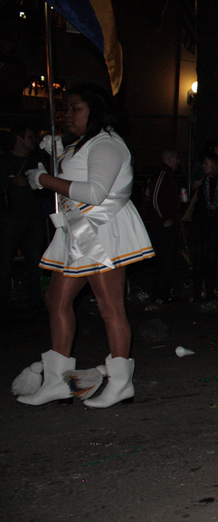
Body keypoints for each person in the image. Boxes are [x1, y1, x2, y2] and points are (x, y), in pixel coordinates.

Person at [13, 83, 153, 408]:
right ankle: (56, 382)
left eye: (75, 107)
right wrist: (58, 152)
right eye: (67, 108)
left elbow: (94, 193)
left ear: (96, 110)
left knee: (110, 306)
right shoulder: (85, 144)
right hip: (77, 234)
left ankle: (120, 384)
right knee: (56, 299)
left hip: (103, 233)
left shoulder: (107, 143)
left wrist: (44, 179)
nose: (68, 113)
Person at [0, 124, 46, 310]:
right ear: (18, 138)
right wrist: (11, 182)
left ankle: (36, 302)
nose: (33, 140)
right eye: (29, 137)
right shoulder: (4, 160)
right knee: (4, 262)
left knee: (36, 262)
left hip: (34, 218)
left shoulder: (37, 160)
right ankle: (3, 303)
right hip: (9, 219)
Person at [188, 150, 218, 301]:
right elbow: (194, 204)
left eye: (206, 163)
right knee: (198, 258)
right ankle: (196, 290)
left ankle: (209, 290)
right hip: (199, 225)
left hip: (214, 226)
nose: (203, 165)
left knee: (211, 259)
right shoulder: (202, 181)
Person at [143, 149, 181, 304]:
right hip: (163, 226)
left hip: (167, 223)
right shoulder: (162, 176)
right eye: (177, 158)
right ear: (170, 159)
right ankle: (160, 294)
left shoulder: (168, 176)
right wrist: (164, 218)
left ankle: (163, 293)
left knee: (168, 261)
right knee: (164, 261)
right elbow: (154, 199)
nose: (179, 162)